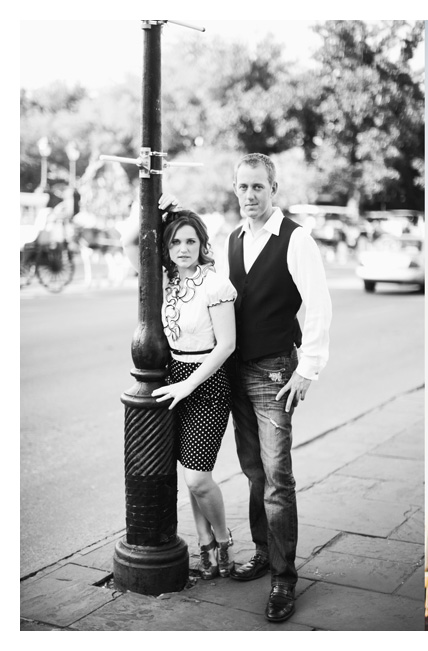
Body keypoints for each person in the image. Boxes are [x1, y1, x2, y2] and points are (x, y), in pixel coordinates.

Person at [226, 153, 332, 623]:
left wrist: (306, 370)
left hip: (273, 373)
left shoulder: (295, 239)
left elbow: (319, 305)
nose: (250, 196)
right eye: (243, 187)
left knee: (277, 478)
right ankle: (264, 551)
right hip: (235, 371)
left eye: (257, 187)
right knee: (253, 472)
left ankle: (284, 579)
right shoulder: (232, 239)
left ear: (274, 188)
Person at [121, 196, 237, 581]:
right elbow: (127, 243)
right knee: (188, 470)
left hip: (206, 384)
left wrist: (188, 384)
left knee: (197, 478)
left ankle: (223, 540)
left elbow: (227, 345)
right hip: (172, 383)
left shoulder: (216, 284)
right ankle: (203, 542)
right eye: (175, 242)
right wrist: (147, 208)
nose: (183, 249)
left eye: (190, 241)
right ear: (167, 249)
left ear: (202, 245)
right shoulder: (165, 281)